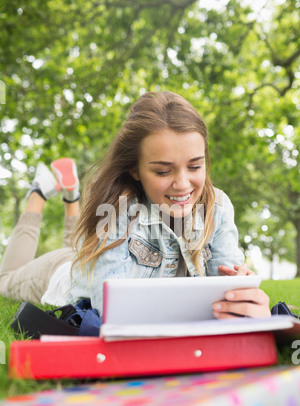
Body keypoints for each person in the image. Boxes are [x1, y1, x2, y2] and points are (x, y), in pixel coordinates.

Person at [0, 91, 270, 321]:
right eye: (163, 172)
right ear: (135, 170)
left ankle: (71, 197)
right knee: (5, 279)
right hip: (60, 275)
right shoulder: (119, 207)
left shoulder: (218, 206)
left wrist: (242, 297)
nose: (183, 184)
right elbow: (111, 308)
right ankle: (38, 192)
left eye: (195, 166)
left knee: (79, 244)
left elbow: (228, 297)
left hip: (88, 254)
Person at [0, 158, 80, 306]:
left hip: (71, 265)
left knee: (75, 255)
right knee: (4, 282)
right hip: (66, 269)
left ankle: (70, 196)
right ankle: (40, 192)